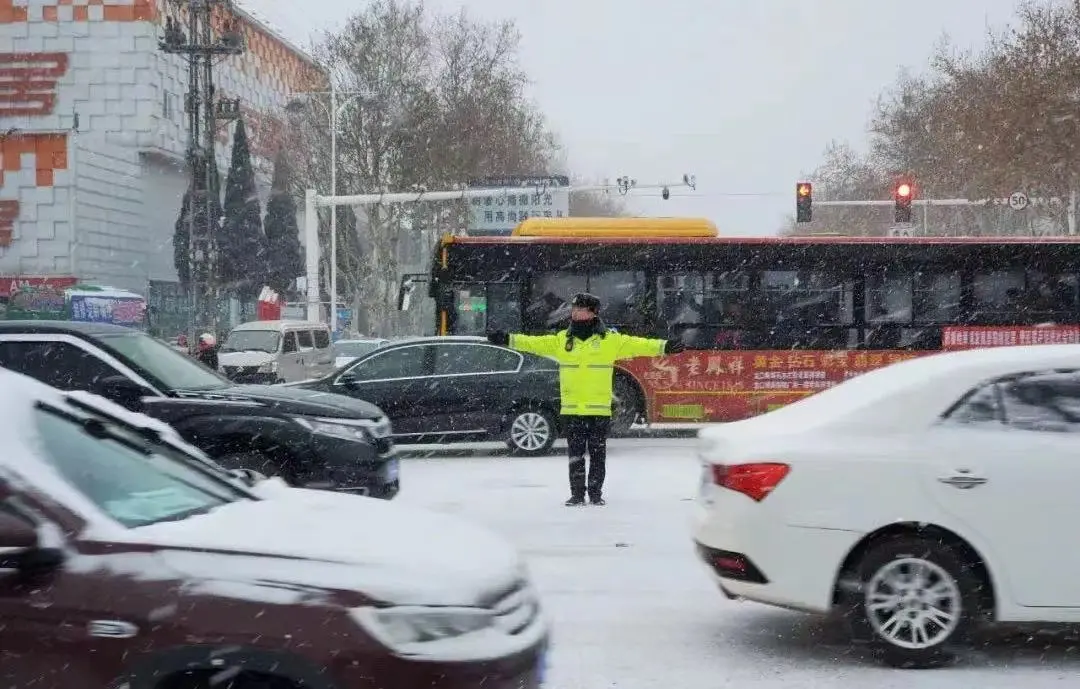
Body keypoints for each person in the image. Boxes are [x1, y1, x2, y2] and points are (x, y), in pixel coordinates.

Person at [488, 292, 684, 506]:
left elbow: (639, 345)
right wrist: (508, 339)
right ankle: (577, 494)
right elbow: (534, 343)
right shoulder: (563, 340)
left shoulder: (610, 340)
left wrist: (664, 347)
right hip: (572, 410)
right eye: (574, 309)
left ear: (593, 313)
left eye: (580, 309)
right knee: (575, 455)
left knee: (598, 456)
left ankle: (596, 494)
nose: (575, 312)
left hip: (599, 410)